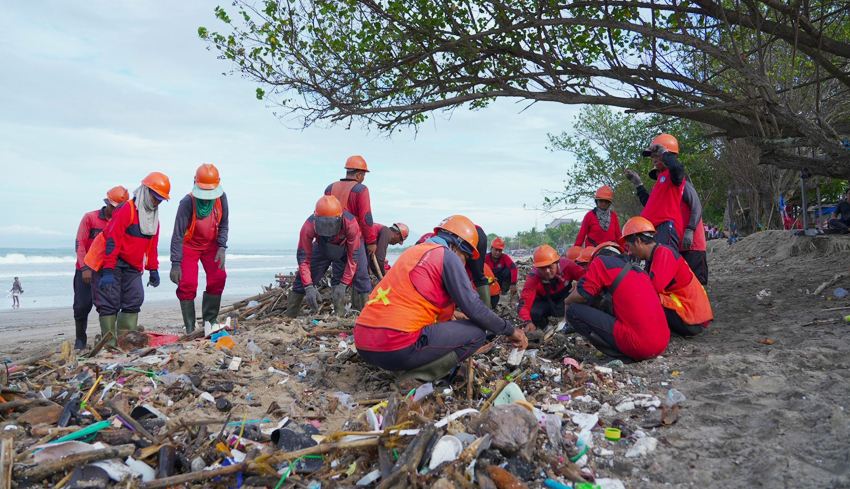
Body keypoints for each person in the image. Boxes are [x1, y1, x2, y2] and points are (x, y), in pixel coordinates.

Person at [354, 215, 528, 385]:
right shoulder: (447, 256)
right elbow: (475, 308)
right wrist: (510, 330)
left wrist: (452, 314)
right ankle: (417, 376)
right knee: (476, 334)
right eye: (465, 257)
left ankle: (399, 367)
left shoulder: (413, 251)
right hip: (395, 344)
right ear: (454, 246)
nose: (464, 263)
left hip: (363, 343)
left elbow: (412, 300)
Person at [93, 173, 170, 346]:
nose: (157, 202)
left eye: (160, 199)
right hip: (111, 260)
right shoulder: (126, 209)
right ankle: (109, 344)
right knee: (109, 302)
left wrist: (153, 269)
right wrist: (108, 270)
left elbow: (151, 247)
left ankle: (125, 343)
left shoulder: (153, 219)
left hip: (132, 264)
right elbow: (113, 240)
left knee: (134, 299)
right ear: (145, 191)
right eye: (155, 197)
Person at [564, 242, 669, 361]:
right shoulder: (640, 272)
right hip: (662, 343)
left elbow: (582, 295)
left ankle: (619, 354)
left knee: (573, 311)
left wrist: (567, 302)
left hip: (641, 346)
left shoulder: (601, 262)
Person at [620, 217, 713, 336]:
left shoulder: (664, 254)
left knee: (643, 298)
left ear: (638, 241)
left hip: (692, 320)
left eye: (629, 246)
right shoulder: (656, 256)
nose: (630, 253)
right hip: (693, 317)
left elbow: (650, 290)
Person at [286, 196, 372, 317]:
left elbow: (354, 258)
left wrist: (343, 284)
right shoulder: (308, 226)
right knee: (301, 281)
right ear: (316, 218)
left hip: (347, 246)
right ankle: (290, 316)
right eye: (323, 224)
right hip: (322, 246)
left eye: (331, 224)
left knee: (362, 277)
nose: (328, 228)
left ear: (340, 218)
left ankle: (366, 317)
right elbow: (303, 258)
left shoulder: (351, 224)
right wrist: (308, 286)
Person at [170, 164, 230, 333]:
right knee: (187, 283)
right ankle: (190, 327)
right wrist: (175, 263)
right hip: (189, 246)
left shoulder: (221, 198)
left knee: (219, 277)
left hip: (212, 246)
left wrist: (222, 247)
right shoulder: (187, 202)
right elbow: (177, 235)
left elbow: (224, 224)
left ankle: (209, 323)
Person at [73, 186, 130, 349]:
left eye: (119, 208)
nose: (116, 210)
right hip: (86, 269)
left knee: (108, 305)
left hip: (106, 270)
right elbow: (80, 243)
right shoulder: (90, 218)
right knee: (82, 306)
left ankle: (109, 339)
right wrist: (85, 267)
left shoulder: (121, 221)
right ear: (107, 203)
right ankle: (80, 340)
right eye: (114, 207)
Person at [636, 177, 708, 285]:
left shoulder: (684, 185)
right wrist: (639, 185)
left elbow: (696, 206)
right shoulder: (666, 192)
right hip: (675, 243)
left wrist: (690, 229)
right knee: (678, 282)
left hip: (692, 242)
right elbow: (651, 206)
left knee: (696, 281)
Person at [625, 134, 686, 249]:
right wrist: (639, 185)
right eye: (652, 157)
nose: (654, 160)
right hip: (653, 229)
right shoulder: (661, 179)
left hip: (666, 226)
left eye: (657, 156)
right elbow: (649, 204)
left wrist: (663, 152)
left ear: (668, 154)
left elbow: (677, 167)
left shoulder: (674, 176)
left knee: (664, 261)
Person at [518, 245, 585, 331]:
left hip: (566, 299)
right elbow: (524, 303)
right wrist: (527, 321)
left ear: (557, 262)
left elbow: (586, 276)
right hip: (545, 302)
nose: (547, 271)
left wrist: (580, 282)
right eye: (542, 268)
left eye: (550, 266)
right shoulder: (533, 278)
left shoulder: (568, 265)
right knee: (532, 312)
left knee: (583, 293)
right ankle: (546, 327)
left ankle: (578, 323)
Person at [325, 156, 378, 257]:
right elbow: (366, 218)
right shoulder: (361, 190)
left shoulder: (330, 188)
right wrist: (371, 242)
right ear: (358, 175)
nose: (363, 178)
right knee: (360, 272)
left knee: (339, 271)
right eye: (363, 175)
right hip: (354, 238)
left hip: (332, 239)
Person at [484, 238, 518, 308]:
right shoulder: (486, 257)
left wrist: (513, 284)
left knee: (508, 269)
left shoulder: (504, 257)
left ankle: (504, 291)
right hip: (490, 281)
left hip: (501, 280)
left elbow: (514, 267)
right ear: (491, 249)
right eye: (496, 250)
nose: (497, 253)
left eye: (500, 251)